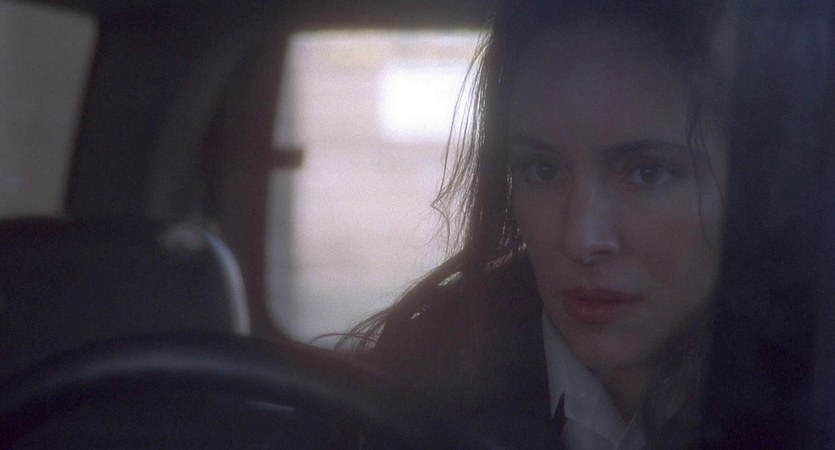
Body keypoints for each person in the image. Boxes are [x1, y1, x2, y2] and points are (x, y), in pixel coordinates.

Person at [346, 1, 724, 448]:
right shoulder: (417, 378)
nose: (580, 239)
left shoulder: (793, 396)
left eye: (648, 173)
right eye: (543, 170)